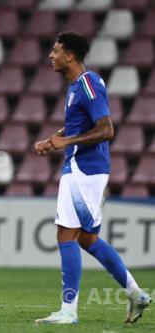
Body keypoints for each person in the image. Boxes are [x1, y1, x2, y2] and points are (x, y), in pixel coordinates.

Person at [34, 32, 151, 325]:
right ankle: (136, 293)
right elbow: (78, 122)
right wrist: (55, 138)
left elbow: (107, 129)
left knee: (65, 234)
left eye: (56, 50)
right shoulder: (76, 87)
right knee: (87, 238)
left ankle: (69, 311)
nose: (51, 55)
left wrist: (69, 140)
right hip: (84, 168)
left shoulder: (88, 83)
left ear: (70, 56)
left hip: (83, 170)